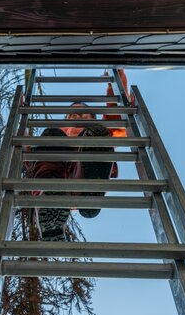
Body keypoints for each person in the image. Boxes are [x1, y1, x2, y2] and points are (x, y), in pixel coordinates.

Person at [30, 70, 129, 241]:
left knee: (100, 136)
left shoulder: (97, 131)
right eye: (73, 114)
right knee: (51, 136)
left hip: (83, 172)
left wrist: (116, 76)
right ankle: (49, 202)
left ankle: (90, 190)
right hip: (59, 179)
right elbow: (32, 156)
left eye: (84, 114)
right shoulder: (58, 133)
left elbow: (116, 112)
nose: (78, 116)